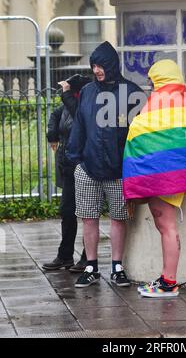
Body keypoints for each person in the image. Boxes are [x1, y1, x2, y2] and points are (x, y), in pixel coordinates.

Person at [123, 59, 186, 298]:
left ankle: (169, 283)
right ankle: (166, 278)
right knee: (166, 226)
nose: (149, 84)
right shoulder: (179, 102)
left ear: (159, 79)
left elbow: (140, 131)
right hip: (172, 173)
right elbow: (181, 137)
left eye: (152, 79)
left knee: (166, 226)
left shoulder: (159, 101)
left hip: (161, 176)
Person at [66, 41, 145, 288]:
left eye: (101, 65)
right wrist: (75, 158)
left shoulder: (132, 92)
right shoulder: (88, 91)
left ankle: (117, 267)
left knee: (118, 218)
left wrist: (135, 164)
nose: (97, 70)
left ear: (112, 65)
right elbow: (79, 125)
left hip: (120, 170)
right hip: (89, 168)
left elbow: (140, 132)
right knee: (88, 217)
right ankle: (91, 267)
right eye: (94, 65)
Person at [43, 74, 91, 272]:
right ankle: (65, 256)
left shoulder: (85, 106)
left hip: (86, 166)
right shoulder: (66, 107)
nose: (64, 93)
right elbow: (56, 115)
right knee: (67, 211)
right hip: (68, 166)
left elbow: (78, 115)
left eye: (68, 90)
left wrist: (67, 95)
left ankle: (88, 259)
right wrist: (52, 133)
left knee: (89, 214)